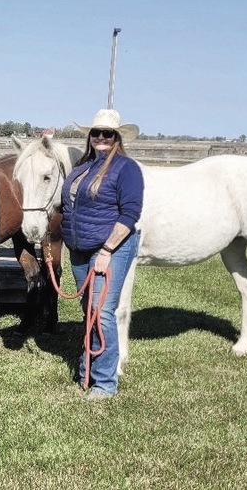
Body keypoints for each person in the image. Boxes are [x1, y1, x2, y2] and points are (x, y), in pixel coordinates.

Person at [61, 109, 144, 400]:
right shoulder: (83, 166)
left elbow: (130, 213)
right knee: (89, 311)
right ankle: (87, 369)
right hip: (80, 249)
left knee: (102, 312)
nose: (101, 138)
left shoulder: (126, 168)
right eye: (96, 133)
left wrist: (107, 249)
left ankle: (105, 383)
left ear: (117, 137)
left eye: (107, 134)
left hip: (109, 248)